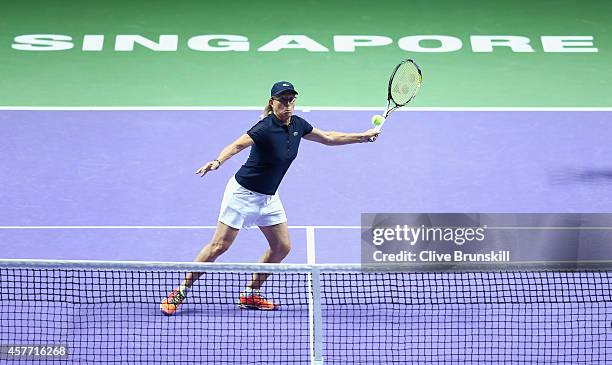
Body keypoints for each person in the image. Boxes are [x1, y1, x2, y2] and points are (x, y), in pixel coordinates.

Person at [160, 81, 380, 314]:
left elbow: (327, 137)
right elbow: (236, 146)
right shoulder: (264, 128)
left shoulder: (298, 125)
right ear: (272, 102)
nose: (287, 104)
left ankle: (250, 294)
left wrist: (362, 137)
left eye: (291, 99)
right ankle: (180, 291)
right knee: (219, 246)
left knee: (282, 247)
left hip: (269, 198)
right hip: (242, 195)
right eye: (282, 100)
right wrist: (217, 161)